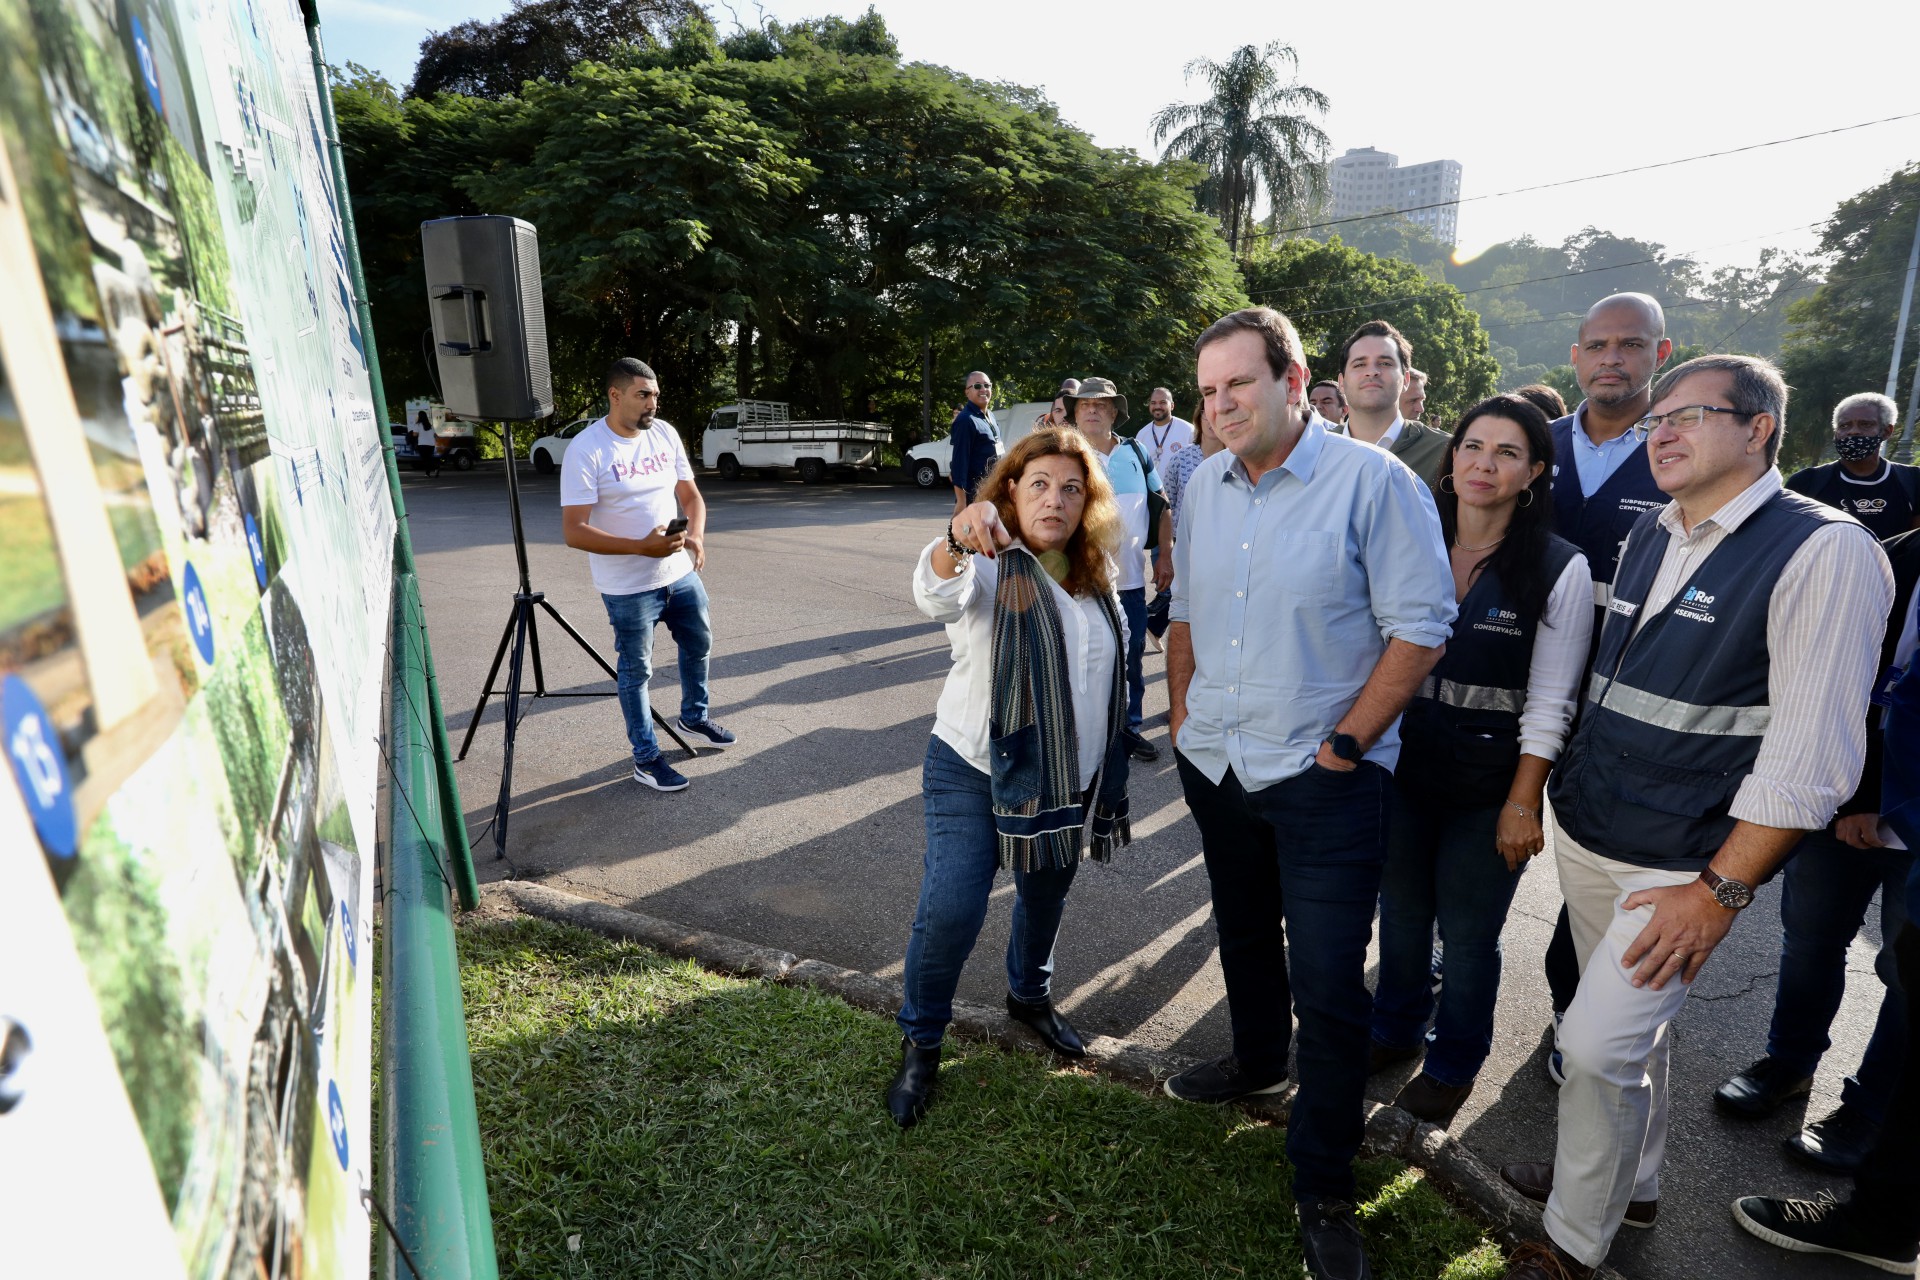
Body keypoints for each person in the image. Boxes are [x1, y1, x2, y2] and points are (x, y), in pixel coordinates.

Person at [1500, 354, 1894, 1280]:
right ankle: (1625, 1188)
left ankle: (1570, 1243)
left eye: (1688, 415)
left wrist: (1718, 894)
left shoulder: (1824, 549)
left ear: (1759, 428)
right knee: (1633, 1044)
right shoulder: (1655, 531)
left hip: (1682, 866)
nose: (1660, 432)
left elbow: (1813, 759)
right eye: (1655, 422)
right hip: (1598, 833)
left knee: (1594, 1049)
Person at [1165, 307, 1453, 1280]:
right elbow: (1187, 612)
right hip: (1219, 763)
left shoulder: (1378, 484)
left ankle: (1323, 1177)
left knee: (1331, 989)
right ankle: (1254, 1060)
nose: (1219, 406)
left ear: (1293, 380)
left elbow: (1420, 627)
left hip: (1326, 781)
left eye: (1236, 384)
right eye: (1207, 391)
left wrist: (1345, 744)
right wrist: (1181, 719)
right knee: (1242, 934)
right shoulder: (1203, 484)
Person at [888, 428, 1134, 1126]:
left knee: (1044, 901)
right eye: (1038, 485)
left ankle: (1029, 997)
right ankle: (922, 1042)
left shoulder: (1095, 573)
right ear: (1010, 493)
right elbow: (935, 591)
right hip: (969, 768)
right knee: (953, 910)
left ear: (1088, 502)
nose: (1054, 499)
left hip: (1065, 780)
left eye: (1071, 487)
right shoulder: (989, 564)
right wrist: (958, 538)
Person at [1367, 396, 1592, 1127]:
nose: (1483, 464)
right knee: (1399, 917)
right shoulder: (1409, 539)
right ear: (1450, 456)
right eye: (1472, 446)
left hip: (1487, 790)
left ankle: (1454, 1063)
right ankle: (1393, 1030)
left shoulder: (1557, 569)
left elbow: (1552, 703)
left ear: (1533, 473)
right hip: (1398, 769)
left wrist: (1522, 802)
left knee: (1466, 938)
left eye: (1505, 453)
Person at [1713, 520, 1919, 1172]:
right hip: (1846, 800)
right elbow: (1833, 687)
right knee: (1809, 941)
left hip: (1910, 817)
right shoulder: (1886, 560)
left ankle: (1869, 1112)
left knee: (1906, 975)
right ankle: (1789, 1063)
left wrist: (1893, 806)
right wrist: (1854, 796)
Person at [1540, 292, 1675, 1084]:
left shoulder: (1679, 446)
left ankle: (1576, 1014)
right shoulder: (1540, 442)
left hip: (1631, 692)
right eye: (1596, 345)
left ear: (1660, 354)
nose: (1611, 359)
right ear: (1576, 356)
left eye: (1629, 344)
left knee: (1597, 860)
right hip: (1527, 679)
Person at [560, 358, 736, 794]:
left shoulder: (664, 433)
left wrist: (695, 535)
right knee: (636, 672)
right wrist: (642, 546)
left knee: (700, 644)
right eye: (643, 394)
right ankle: (645, 757)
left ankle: (694, 717)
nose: (653, 403)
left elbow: (691, 496)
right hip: (628, 587)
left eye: (655, 394)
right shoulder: (587, 448)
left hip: (678, 572)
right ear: (615, 395)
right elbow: (574, 531)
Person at [1064, 377, 1170, 764]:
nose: (1091, 410)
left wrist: (1165, 555)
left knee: (1132, 656)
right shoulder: (1066, 455)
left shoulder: (1136, 452)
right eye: (1084, 405)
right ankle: (1079, 732)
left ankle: (1129, 729)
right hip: (1076, 584)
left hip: (1128, 582)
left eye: (1100, 404)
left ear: (1114, 412)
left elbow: (1161, 504)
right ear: (1075, 414)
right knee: (1081, 656)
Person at [1332, 320, 1450, 487]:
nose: (1372, 371)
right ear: (1341, 383)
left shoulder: (1445, 453)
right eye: (1359, 364)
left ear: (1406, 380)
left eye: (1385, 363)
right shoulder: (1315, 450)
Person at [1786, 392, 1920, 539]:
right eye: (1844, 425)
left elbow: (1914, 545)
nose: (1853, 431)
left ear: (1887, 431)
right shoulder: (1806, 482)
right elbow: (1789, 539)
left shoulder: (1913, 480)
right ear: (1836, 433)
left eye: (1865, 424)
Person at [947, 371, 1003, 517]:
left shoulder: (990, 415)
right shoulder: (965, 420)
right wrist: (961, 501)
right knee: (970, 538)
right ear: (967, 392)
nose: (983, 389)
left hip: (992, 492)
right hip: (974, 497)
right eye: (978, 386)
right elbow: (959, 463)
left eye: (987, 385)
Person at [1139, 386, 1194, 473]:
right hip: (1150, 487)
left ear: (1172, 406)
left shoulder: (1188, 430)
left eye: (1163, 402)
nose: (1157, 406)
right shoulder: (1142, 435)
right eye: (1153, 403)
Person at [415, 409, 442, 476]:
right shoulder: (430, 425)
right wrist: (438, 441)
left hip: (422, 444)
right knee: (429, 458)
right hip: (431, 444)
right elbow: (435, 435)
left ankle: (436, 468)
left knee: (425, 459)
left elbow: (415, 434)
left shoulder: (418, 425)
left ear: (419, 416)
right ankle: (428, 473)